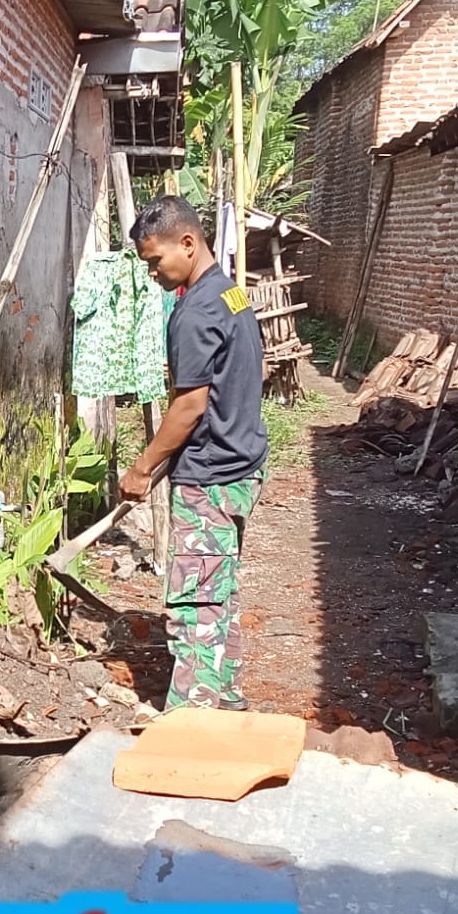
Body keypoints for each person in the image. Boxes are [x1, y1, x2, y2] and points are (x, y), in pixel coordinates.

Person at [119, 196, 270, 712]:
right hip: (242, 467)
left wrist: (142, 467)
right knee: (217, 592)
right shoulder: (231, 295)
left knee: (196, 605)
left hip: (211, 478)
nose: (153, 273)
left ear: (188, 243)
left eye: (155, 261)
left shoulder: (194, 312)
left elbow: (189, 406)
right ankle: (225, 701)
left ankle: (192, 721)